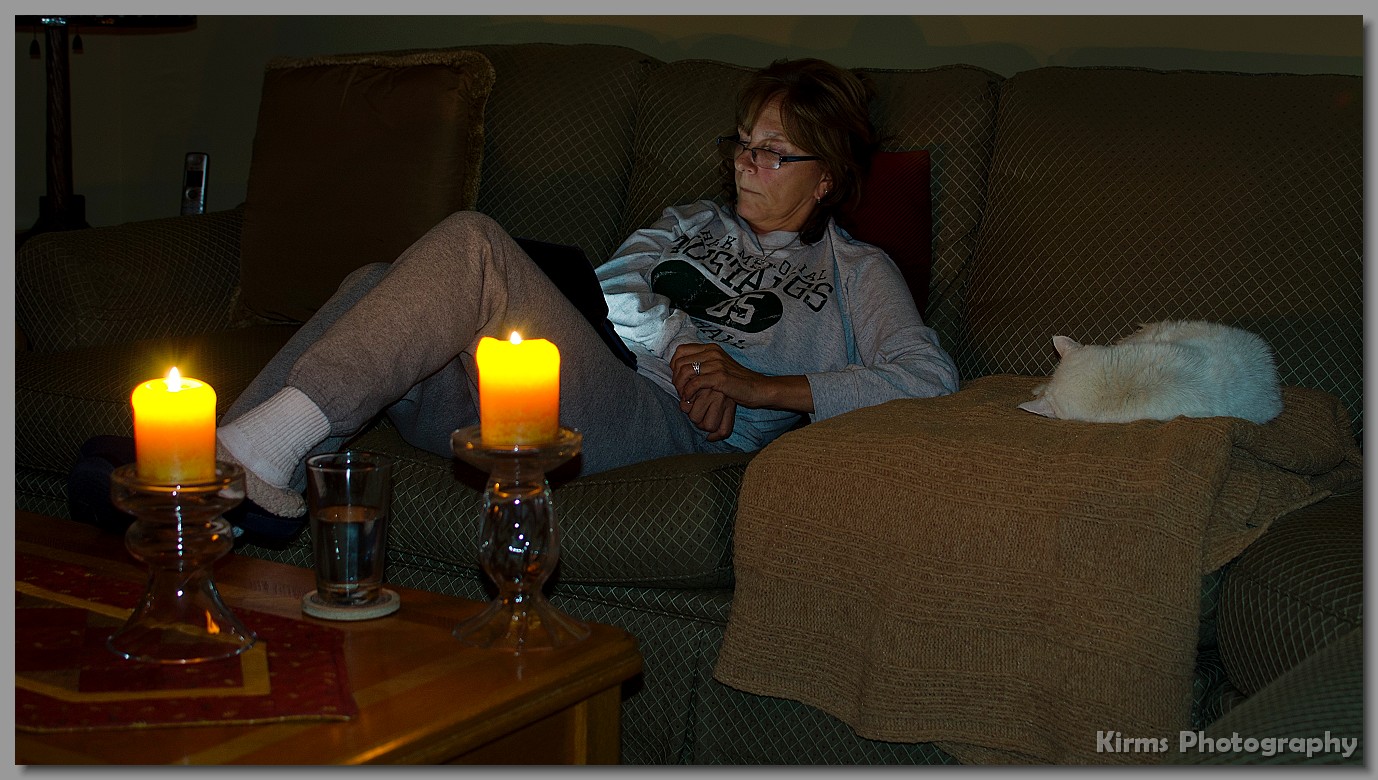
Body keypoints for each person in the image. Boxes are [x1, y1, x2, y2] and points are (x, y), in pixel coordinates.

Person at [216, 57, 960, 518]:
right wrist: (684, 343)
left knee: (476, 244)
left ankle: (239, 457)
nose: (743, 164)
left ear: (825, 177)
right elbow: (610, 287)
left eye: (772, 153)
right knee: (374, 284)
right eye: (741, 143)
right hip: (571, 382)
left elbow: (928, 378)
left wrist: (760, 388)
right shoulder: (691, 220)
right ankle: (224, 476)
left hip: (661, 425)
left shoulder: (856, 272)